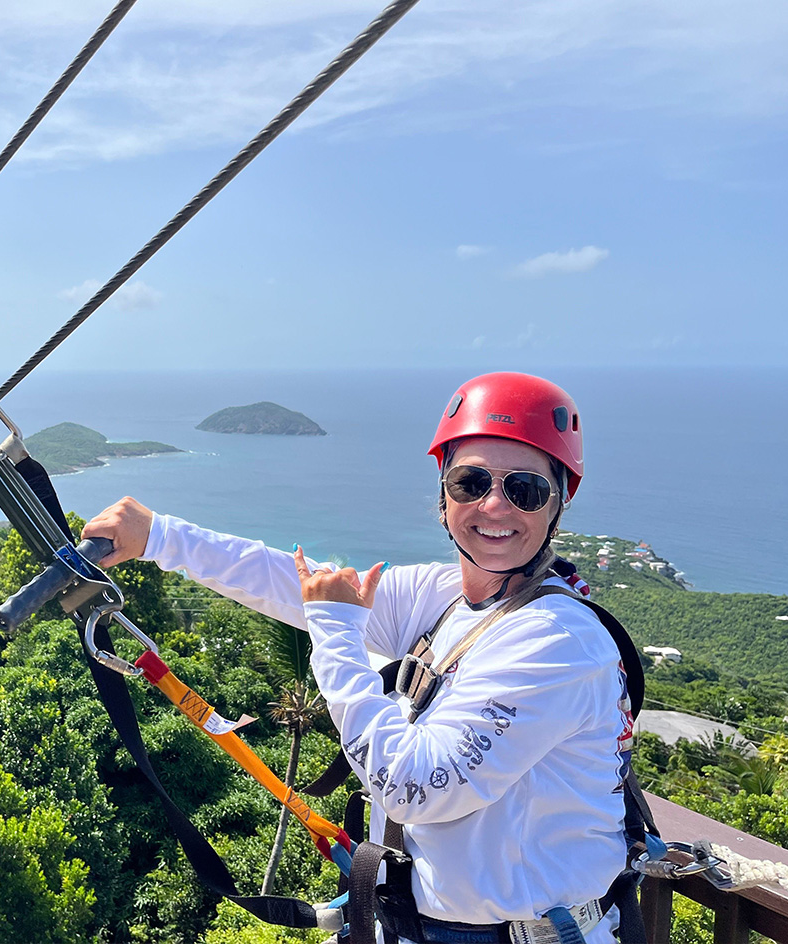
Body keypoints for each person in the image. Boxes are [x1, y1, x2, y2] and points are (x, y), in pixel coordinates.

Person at [82, 372, 633, 944]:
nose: (493, 505)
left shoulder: (557, 639)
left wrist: (337, 636)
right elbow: (300, 584)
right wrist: (160, 537)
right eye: (470, 482)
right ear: (444, 492)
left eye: (524, 488)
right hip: (413, 924)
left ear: (559, 500)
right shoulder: (444, 595)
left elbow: (414, 786)